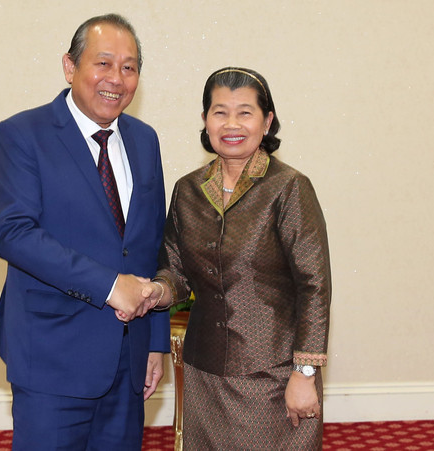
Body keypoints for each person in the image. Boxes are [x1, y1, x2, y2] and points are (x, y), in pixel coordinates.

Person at [0, 14, 169, 450]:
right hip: (52, 356)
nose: (116, 79)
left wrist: (155, 343)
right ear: (70, 67)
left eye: (129, 67)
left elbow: (153, 246)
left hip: (129, 357)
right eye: (103, 63)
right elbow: (13, 232)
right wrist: (110, 286)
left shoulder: (145, 140)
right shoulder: (22, 134)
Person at [146, 67, 332, 449]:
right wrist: (153, 292)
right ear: (205, 120)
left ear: (267, 122)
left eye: (245, 112)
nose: (232, 123)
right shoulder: (188, 191)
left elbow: (314, 285)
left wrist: (305, 372)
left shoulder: (289, 188)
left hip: (275, 376)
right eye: (220, 112)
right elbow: (175, 271)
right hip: (204, 373)